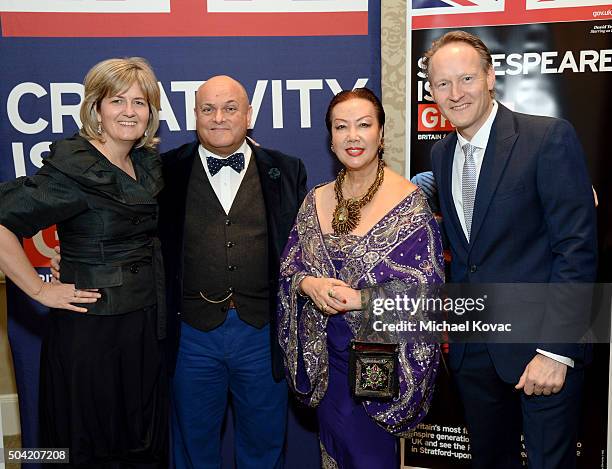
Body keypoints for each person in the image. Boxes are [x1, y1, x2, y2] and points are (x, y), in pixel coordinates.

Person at [424, 31, 597, 469]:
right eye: (443, 84)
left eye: (465, 78)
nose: (455, 93)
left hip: (541, 351)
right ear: (430, 91)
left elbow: (576, 252)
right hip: (474, 353)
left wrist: (556, 351)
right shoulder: (442, 155)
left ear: (490, 77)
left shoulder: (547, 139)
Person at [0, 57, 168, 467]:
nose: (129, 111)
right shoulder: (73, 168)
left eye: (140, 102)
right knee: (87, 445)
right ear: (96, 108)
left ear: (151, 113)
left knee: (140, 442)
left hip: (142, 325)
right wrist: (39, 288)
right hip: (91, 332)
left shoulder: (145, 164)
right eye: (117, 101)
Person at [277, 88, 443, 469]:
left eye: (364, 125)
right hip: (324, 365)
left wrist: (363, 300)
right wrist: (308, 284)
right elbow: (289, 270)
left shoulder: (410, 204)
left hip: (379, 368)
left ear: (381, 135)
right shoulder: (314, 200)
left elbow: (429, 295)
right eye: (341, 127)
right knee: (332, 454)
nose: (353, 136)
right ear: (330, 138)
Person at [158, 75, 307, 468]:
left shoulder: (288, 171)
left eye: (230, 108)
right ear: (194, 115)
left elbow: (310, 248)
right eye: (208, 109)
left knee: (263, 445)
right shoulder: (163, 171)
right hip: (191, 336)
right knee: (193, 447)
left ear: (249, 114)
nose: (219, 118)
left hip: (262, 336)